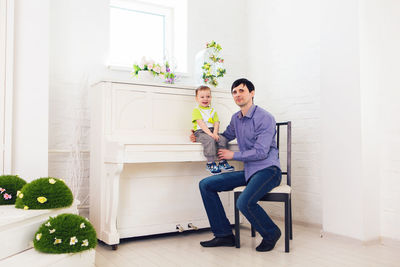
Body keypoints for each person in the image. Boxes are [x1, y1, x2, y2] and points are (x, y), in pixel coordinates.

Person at [195, 78, 282, 252]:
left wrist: (233, 155)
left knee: (244, 202)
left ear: (252, 93)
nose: (237, 95)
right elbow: (225, 136)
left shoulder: (265, 118)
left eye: (241, 91)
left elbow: (261, 152)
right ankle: (224, 235)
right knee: (206, 185)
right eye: (234, 92)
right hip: (249, 171)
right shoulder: (236, 118)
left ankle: (271, 233)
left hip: (268, 170)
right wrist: (200, 135)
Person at [192, 85, 235, 174]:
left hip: (212, 131)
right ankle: (210, 163)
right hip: (200, 132)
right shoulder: (197, 110)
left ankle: (222, 161)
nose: (205, 99)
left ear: (211, 98)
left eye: (208, 96)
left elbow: (216, 122)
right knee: (209, 139)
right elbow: (201, 124)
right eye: (202, 97)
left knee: (222, 139)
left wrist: (215, 133)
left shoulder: (213, 110)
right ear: (197, 98)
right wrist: (211, 135)